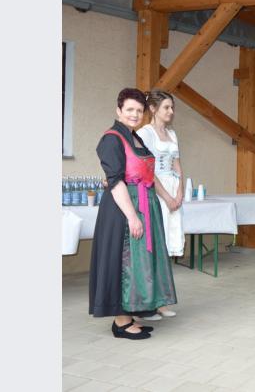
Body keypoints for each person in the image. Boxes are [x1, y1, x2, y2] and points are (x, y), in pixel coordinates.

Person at [88, 88, 177, 339]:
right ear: (119, 111)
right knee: (123, 262)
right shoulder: (112, 138)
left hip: (144, 204)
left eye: (139, 110)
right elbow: (115, 182)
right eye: (129, 110)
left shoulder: (134, 137)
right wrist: (132, 216)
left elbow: (146, 173)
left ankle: (131, 312)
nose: (135, 114)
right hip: (123, 210)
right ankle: (121, 321)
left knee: (137, 264)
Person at [137, 90, 183, 320]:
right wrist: (166, 196)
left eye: (172, 107)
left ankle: (162, 301)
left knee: (166, 245)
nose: (171, 111)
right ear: (153, 109)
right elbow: (148, 170)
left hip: (173, 189)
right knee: (154, 244)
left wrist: (180, 192)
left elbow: (177, 164)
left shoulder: (172, 134)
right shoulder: (145, 134)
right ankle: (148, 302)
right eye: (166, 107)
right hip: (156, 191)